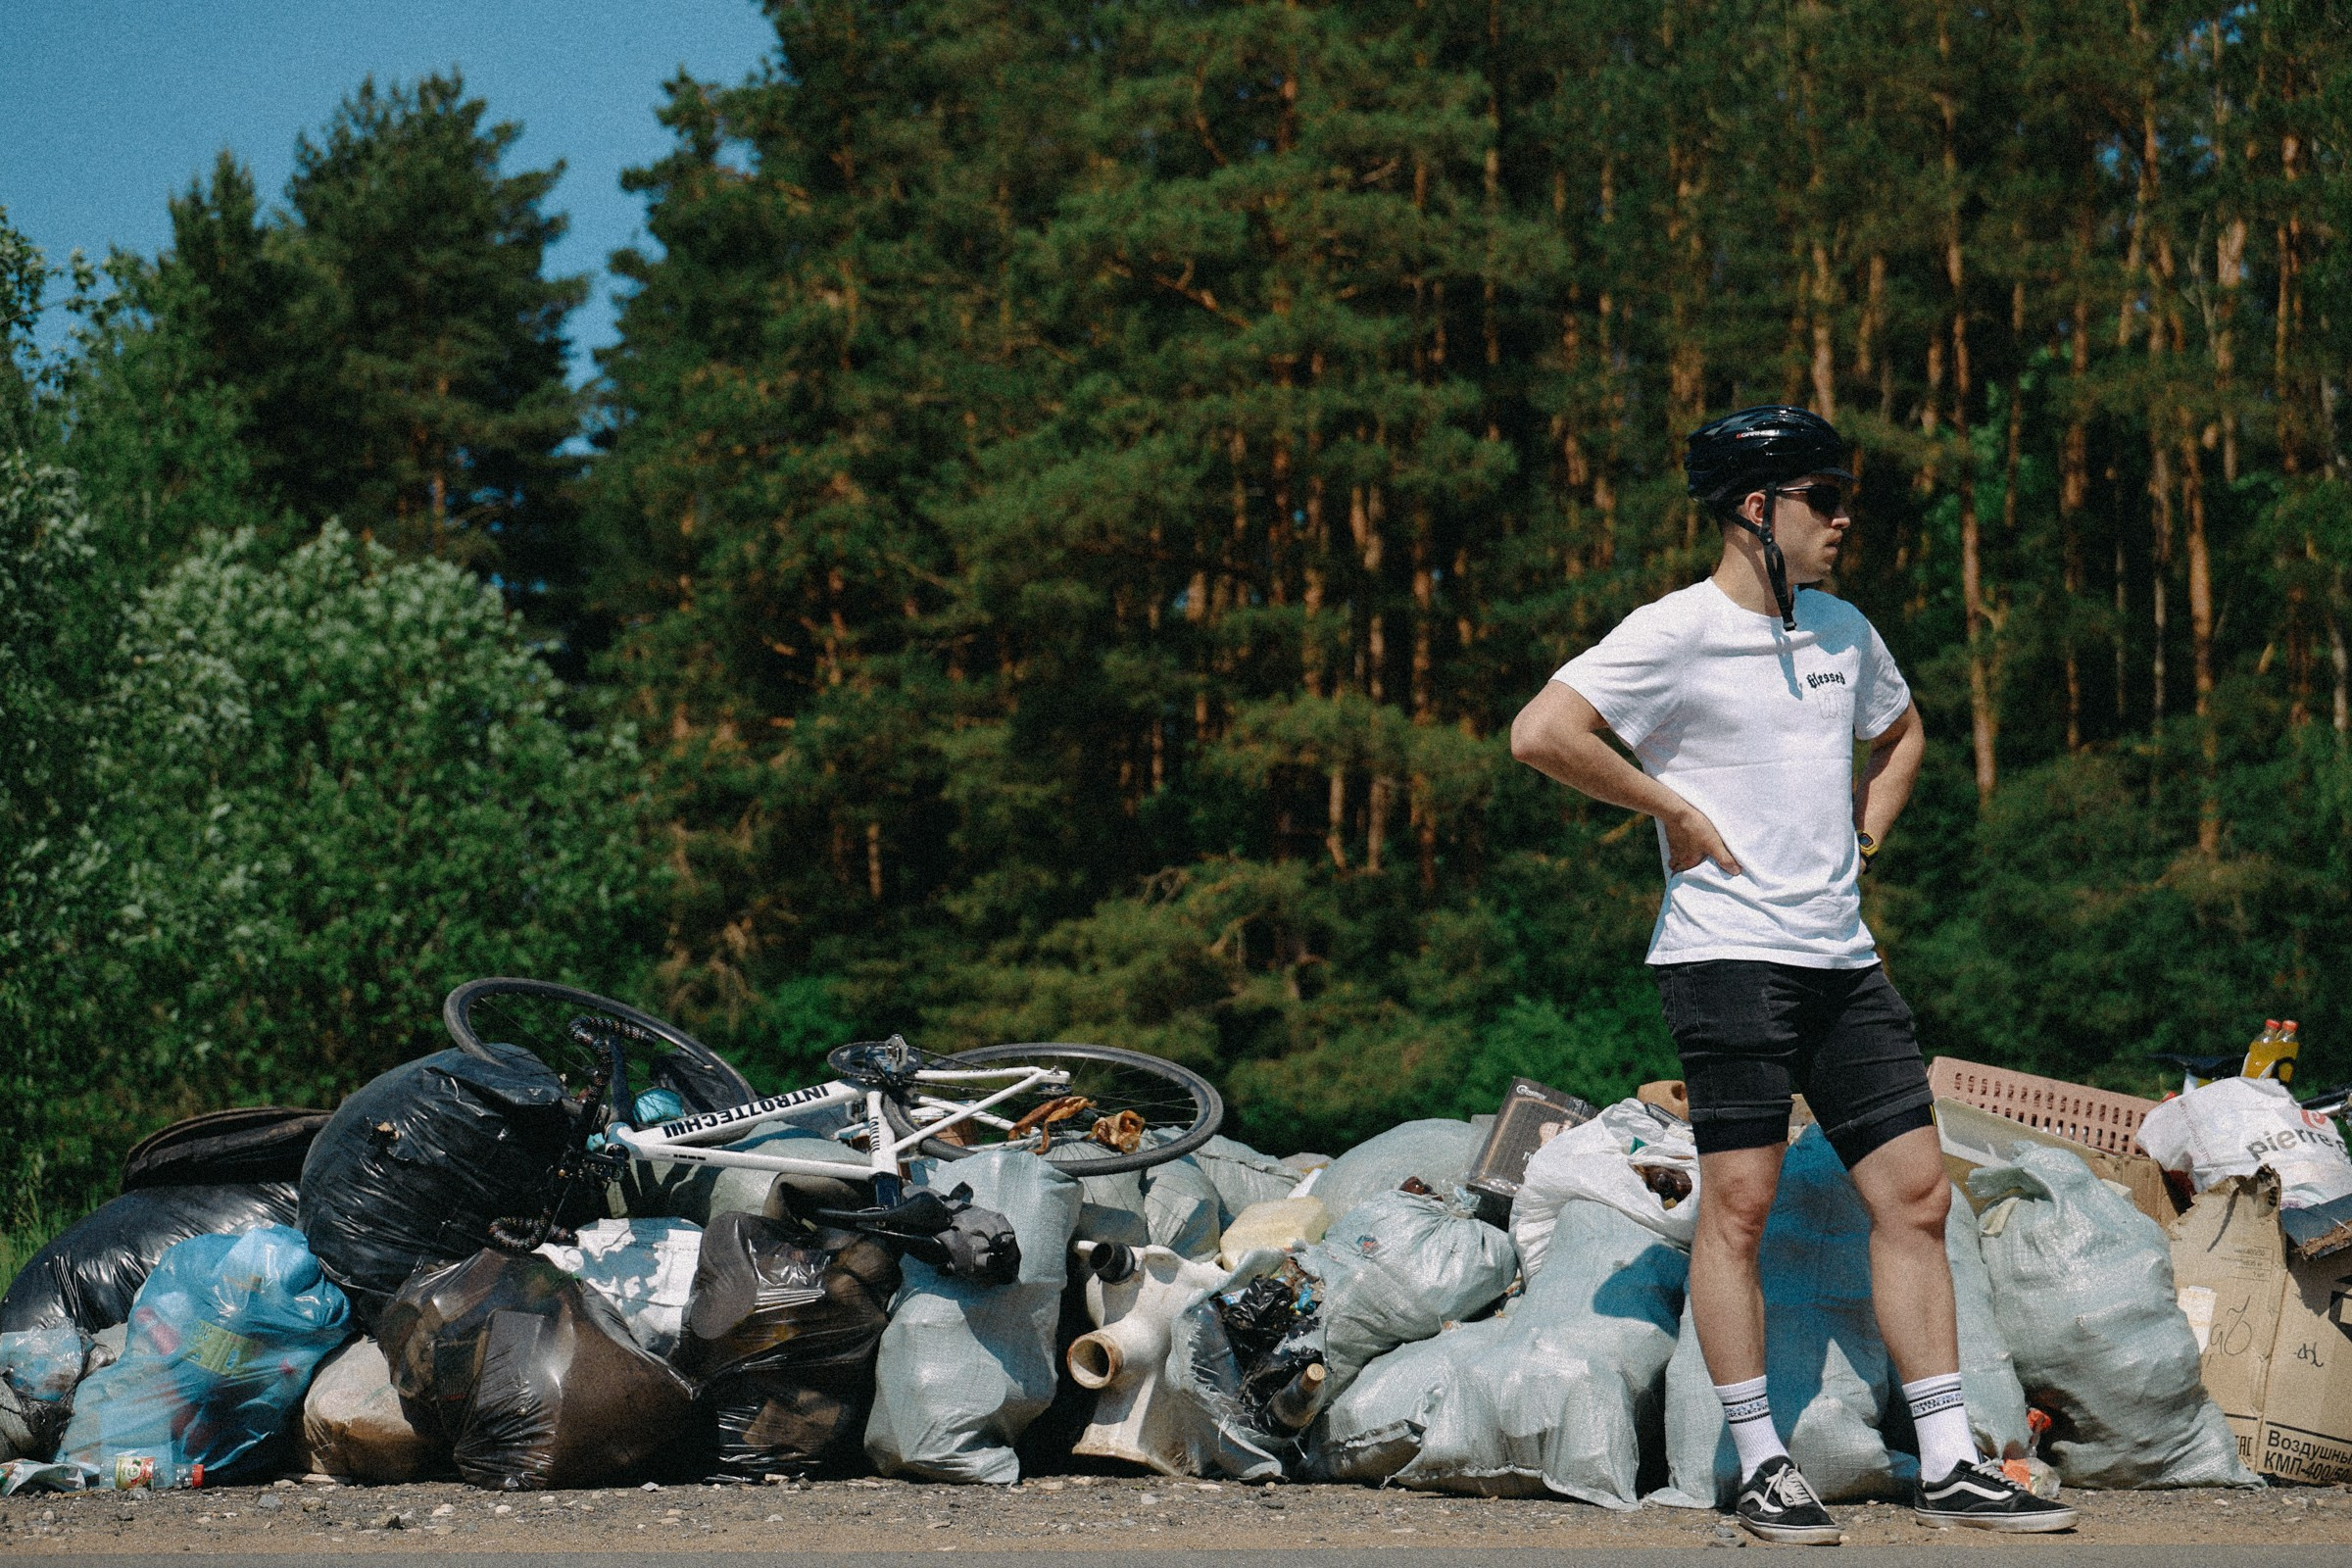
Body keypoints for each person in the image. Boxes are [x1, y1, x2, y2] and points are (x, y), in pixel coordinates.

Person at [1508, 406, 2074, 1544]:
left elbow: (1903, 731)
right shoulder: (1674, 631)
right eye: (1826, 498)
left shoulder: (1847, 631)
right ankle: (1763, 1462)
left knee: (1915, 1192)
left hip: (1842, 958)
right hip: (1724, 955)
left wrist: (1869, 823)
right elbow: (1541, 731)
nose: (1845, 518)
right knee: (1743, 1203)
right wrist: (1667, 804)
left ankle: (1955, 1459)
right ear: (1757, 511)